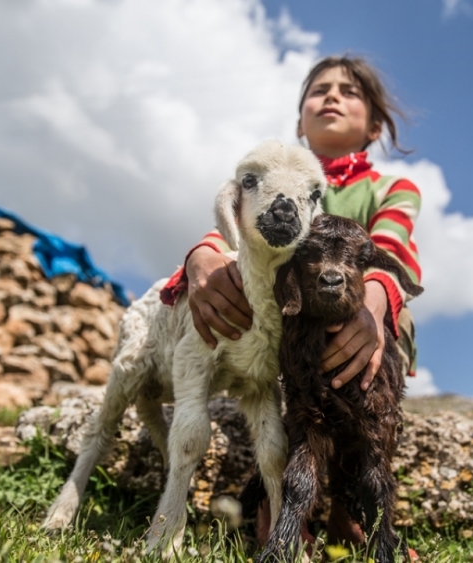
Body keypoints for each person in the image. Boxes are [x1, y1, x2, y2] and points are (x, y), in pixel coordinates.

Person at [159, 55, 421, 552]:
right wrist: (201, 256)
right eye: (318, 90)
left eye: (350, 91)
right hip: (290, 328)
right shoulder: (280, 179)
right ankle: (279, 502)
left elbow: (395, 248)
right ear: (300, 120)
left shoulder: (392, 189)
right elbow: (239, 226)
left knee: (383, 327)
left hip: (362, 319)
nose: (332, 97)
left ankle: (350, 505)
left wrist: (373, 302)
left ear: (375, 124)